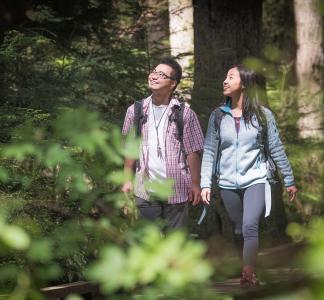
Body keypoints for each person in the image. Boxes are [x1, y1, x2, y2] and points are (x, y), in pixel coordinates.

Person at [200, 65, 297, 286]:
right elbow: (209, 151)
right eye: (225, 77)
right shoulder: (217, 117)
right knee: (237, 228)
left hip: (256, 178)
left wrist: (289, 179)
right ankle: (247, 266)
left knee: (249, 224)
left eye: (230, 77)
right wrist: (205, 183)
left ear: (244, 84)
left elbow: (276, 148)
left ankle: (248, 271)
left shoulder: (263, 116)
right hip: (226, 182)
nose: (225, 81)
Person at [122, 58, 204, 231]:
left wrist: (195, 184)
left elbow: (193, 152)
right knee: (149, 243)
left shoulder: (184, 113)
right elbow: (130, 149)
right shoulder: (135, 111)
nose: (154, 76)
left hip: (177, 189)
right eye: (153, 72)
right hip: (145, 189)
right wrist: (127, 181)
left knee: (175, 245)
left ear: (172, 83)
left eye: (161, 74)